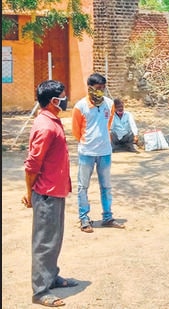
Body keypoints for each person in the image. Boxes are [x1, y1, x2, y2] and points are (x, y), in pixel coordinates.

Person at [23, 80, 77, 307]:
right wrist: (29, 193)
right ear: (54, 101)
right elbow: (32, 165)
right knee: (44, 242)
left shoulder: (53, 121)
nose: (66, 99)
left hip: (56, 190)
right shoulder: (45, 126)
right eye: (63, 96)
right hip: (45, 193)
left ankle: (51, 276)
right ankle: (40, 290)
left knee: (54, 239)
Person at [72, 73, 125, 233]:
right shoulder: (80, 106)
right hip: (86, 152)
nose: (100, 91)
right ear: (90, 88)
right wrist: (87, 141)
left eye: (103, 88)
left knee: (106, 186)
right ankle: (84, 218)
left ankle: (108, 217)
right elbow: (76, 130)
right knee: (83, 187)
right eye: (97, 88)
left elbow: (108, 124)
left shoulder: (109, 104)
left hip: (105, 152)